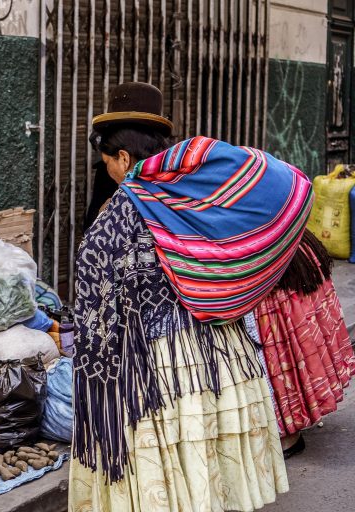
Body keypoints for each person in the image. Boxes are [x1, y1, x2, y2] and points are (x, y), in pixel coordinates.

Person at [70, 82, 307, 512]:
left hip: (162, 368)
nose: (108, 171)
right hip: (224, 356)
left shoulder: (121, 211)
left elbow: (98, 302)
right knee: (211, 475)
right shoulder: (200, 196)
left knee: (171, 477)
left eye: (107, 162)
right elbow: (286, 183)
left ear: (123, 158)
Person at [253, 229, 355, 458]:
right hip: (281, 250)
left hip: (272, 265)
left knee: (278, 354)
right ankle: (286, 427)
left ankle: (288, 432)